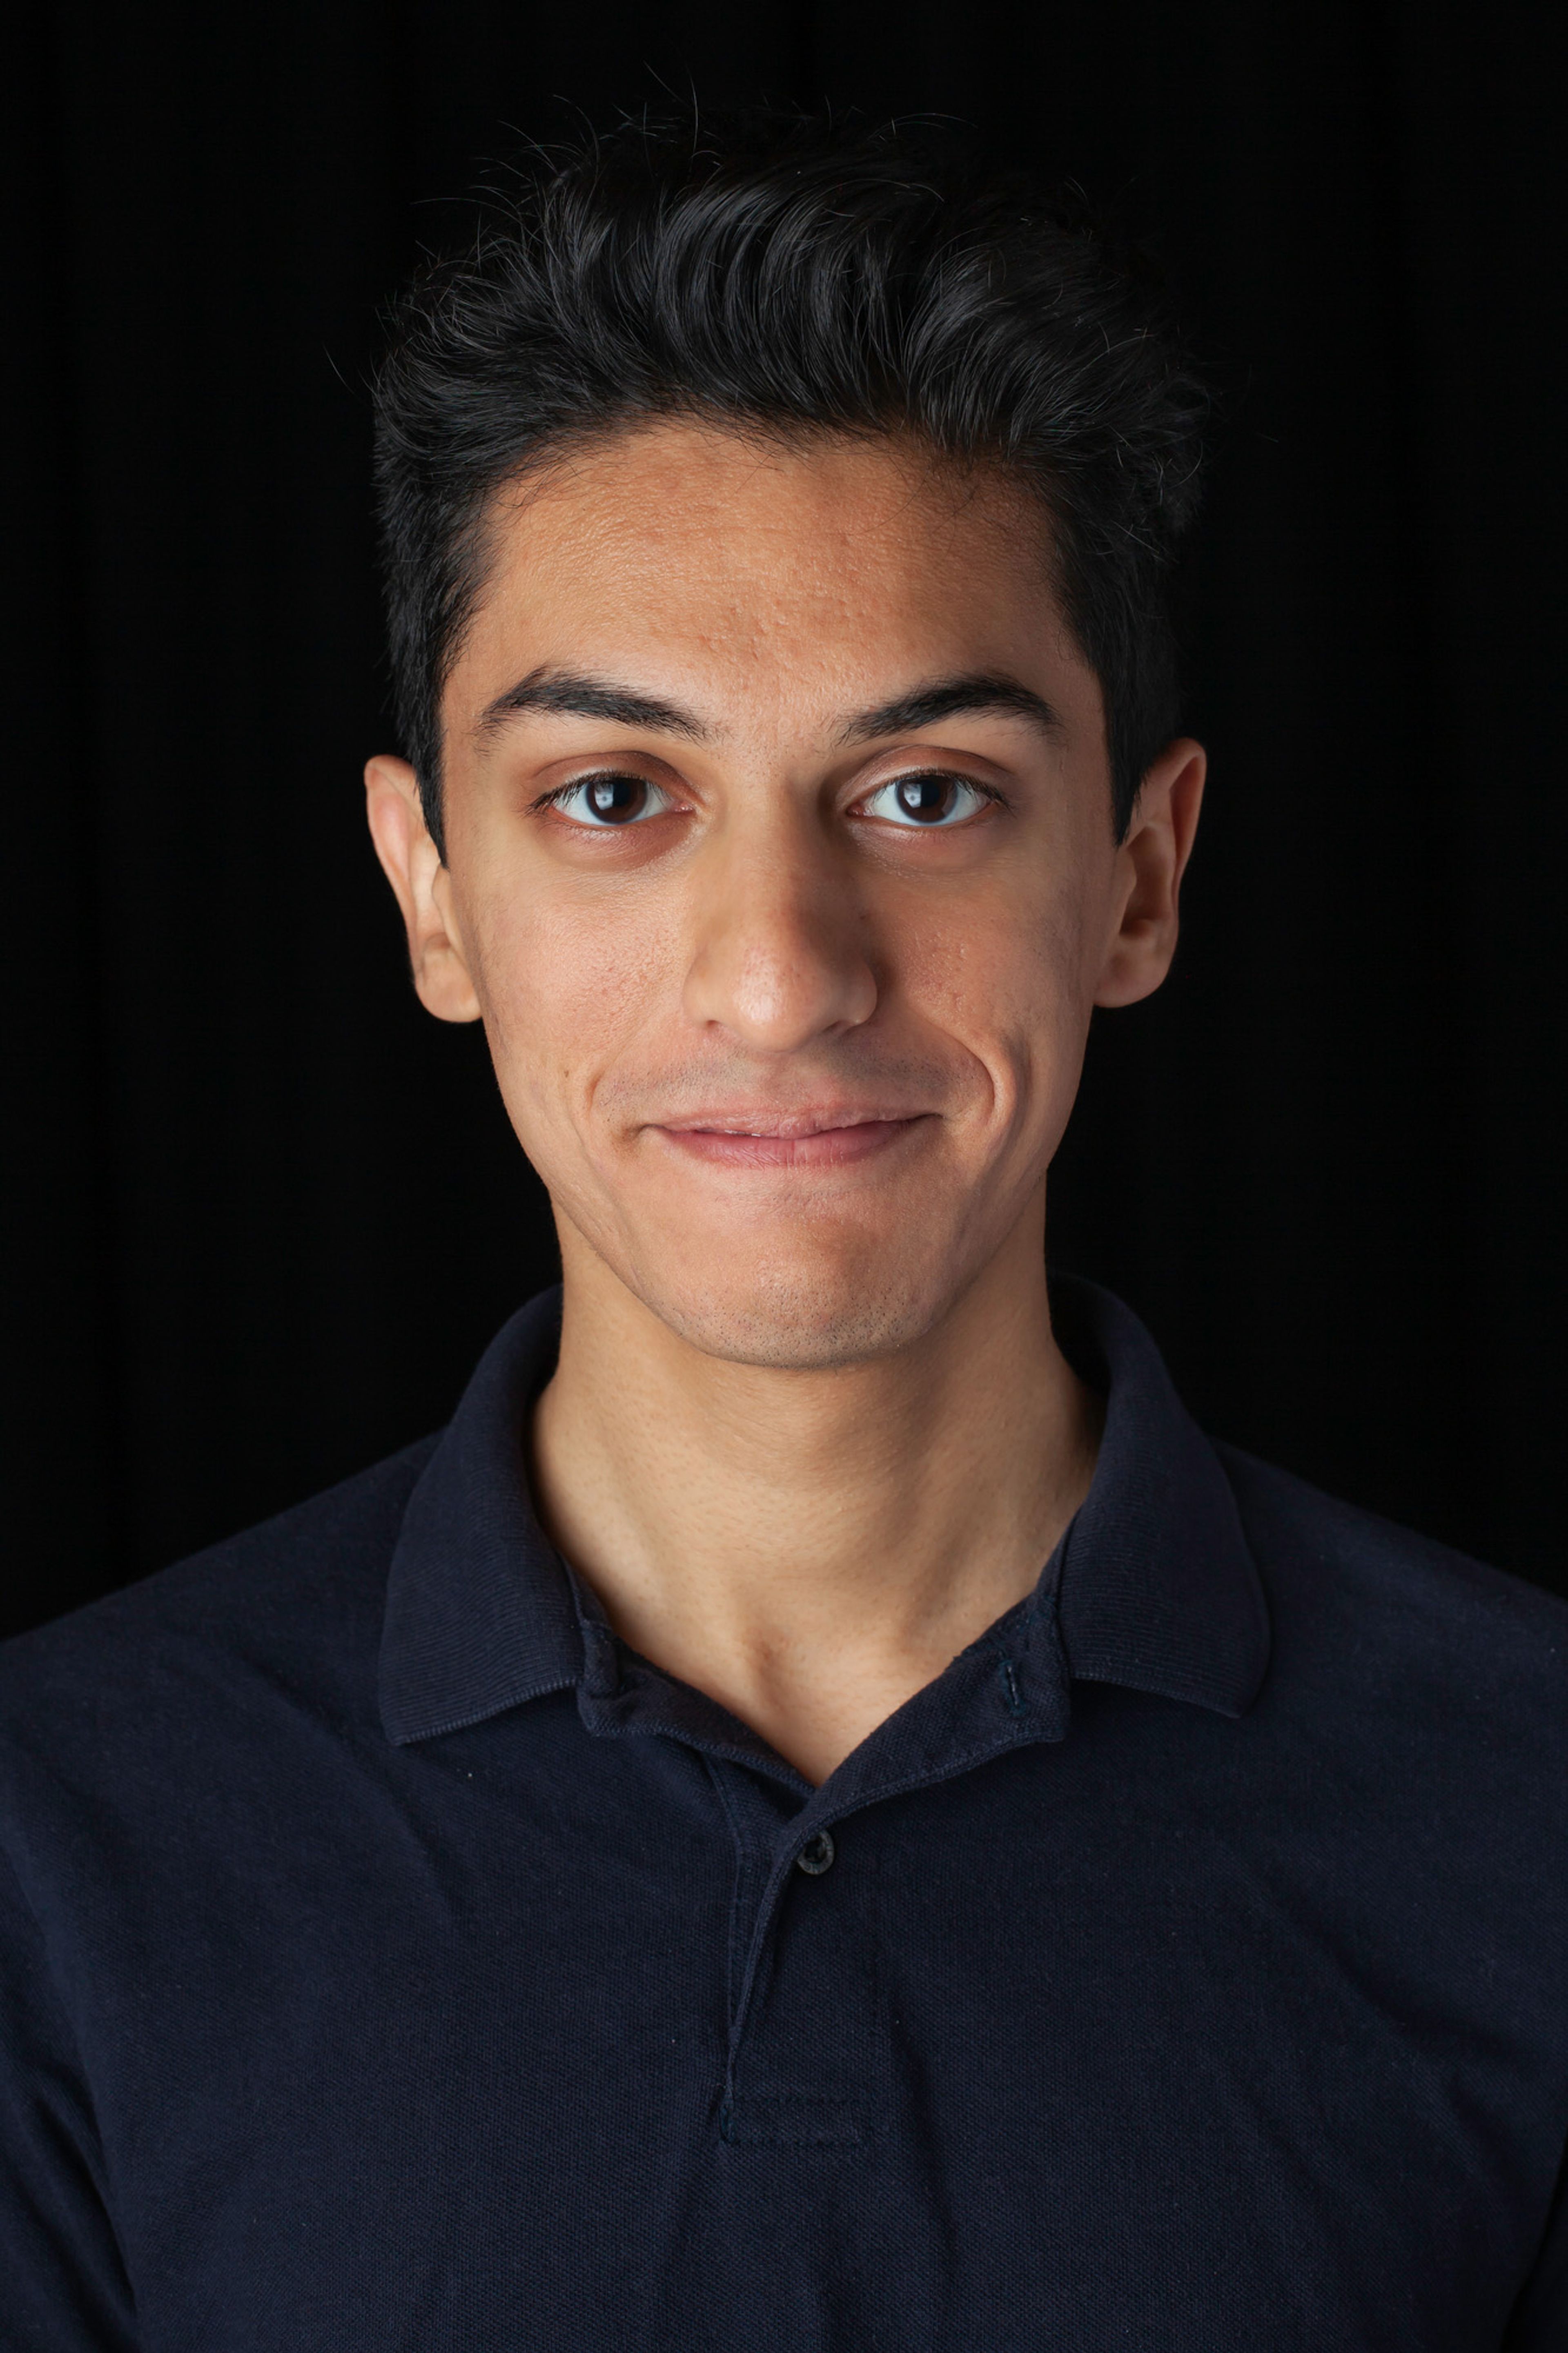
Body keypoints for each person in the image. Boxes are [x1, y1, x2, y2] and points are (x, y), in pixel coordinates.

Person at [2, 111, 1564, 2352]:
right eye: (615, 799)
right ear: (432, 889)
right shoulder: (57, 1848)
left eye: (924, 795)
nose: (779, 971)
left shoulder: (1528, 1815)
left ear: (1139, 871)